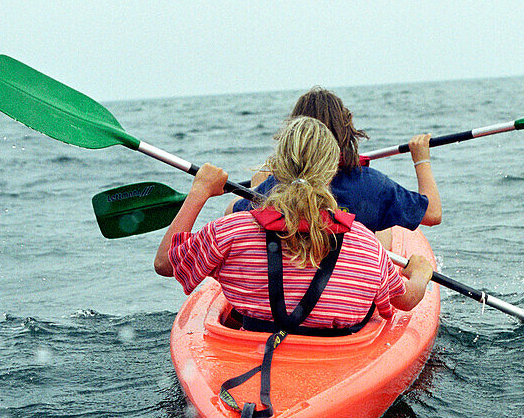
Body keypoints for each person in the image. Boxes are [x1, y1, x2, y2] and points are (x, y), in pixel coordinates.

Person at [154, 116, 433, 333]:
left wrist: (199, 191)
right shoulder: (366, 244)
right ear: (330, 172)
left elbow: (165, 264)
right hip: (333, 361)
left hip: (249, 353)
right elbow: (406, 301)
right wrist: (420, 273)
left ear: (276, 168)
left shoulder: (230, 231)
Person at [227, 87, 442, 241]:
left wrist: (254, 189)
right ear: (345, 131)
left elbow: (231, 216)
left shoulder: (276, 186)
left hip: (291, 291)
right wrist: (421, 159)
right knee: (384, 228)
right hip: (351, 291)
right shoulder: (372, 185)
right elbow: (432, 214)